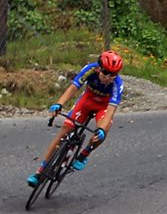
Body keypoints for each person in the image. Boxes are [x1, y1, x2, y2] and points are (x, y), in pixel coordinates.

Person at [28, 51, 125, 187]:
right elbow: (73, 88)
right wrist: (59, 104)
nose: (109, 77)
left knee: (102, 132)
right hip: (87, 100)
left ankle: (85, 153)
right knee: (66, 129)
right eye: (106, 73)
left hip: (104, 107)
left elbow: (111, 110)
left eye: (113, 74)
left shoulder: (117, 85)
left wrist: (102, 129)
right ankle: (39, 172)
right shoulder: (89, 70)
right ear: (98, 68)